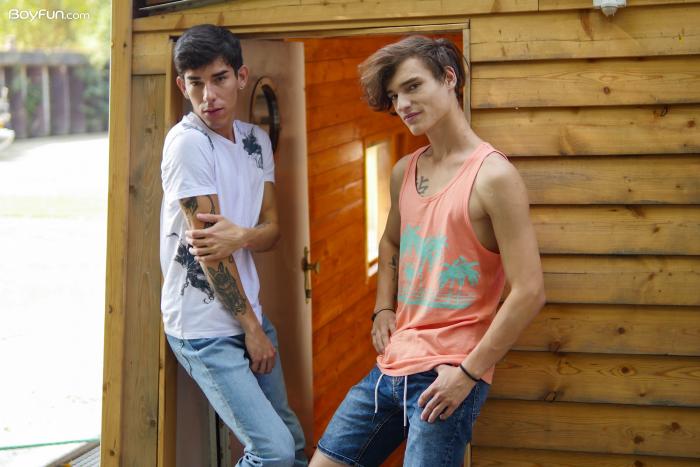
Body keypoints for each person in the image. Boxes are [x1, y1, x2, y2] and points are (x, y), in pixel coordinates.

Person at [310, 35, 545, 467]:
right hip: (392, 365)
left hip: (447, 374)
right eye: (394, 96)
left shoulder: (493, 176)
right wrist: (382, 308)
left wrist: (468, 374)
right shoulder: (405, 170)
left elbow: (529, 291)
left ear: (449, 78)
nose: (402, 104)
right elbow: (391, 241)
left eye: (413, 86)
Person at [159, 24, 307, 467]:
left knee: (293, 444)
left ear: (241, 77)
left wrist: (242, 236)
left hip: (248, 314)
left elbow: (272, 231)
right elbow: (211, 255)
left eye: (219, 78)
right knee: (274, 452)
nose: (209, 96)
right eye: (196, 83)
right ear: (182, 86)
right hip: (205, 328)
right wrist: (252, 330)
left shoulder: (255, 141)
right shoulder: (188, 144)